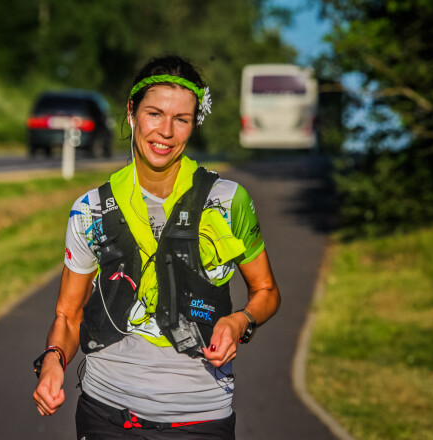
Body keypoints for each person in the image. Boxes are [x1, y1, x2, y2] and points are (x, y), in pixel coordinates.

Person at [33, 55, 281, 439]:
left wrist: (240, 322)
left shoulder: (229, 201)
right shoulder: (91, 209)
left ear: (193, 125)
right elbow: (67, 315)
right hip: (105, 415)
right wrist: (53, 360)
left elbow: (266, 291)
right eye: (154, 113)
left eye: (181, 119)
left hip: (199, 419)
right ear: (132, 113)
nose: (165, 131)